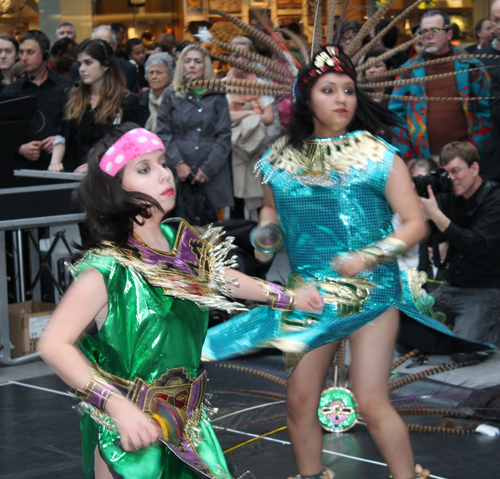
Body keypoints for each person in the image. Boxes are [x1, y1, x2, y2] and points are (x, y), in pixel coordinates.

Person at [203, 45, 489, 479]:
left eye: (349, 90)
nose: (342, 99)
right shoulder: (278, 158)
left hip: (373, 292)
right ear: (306, 99)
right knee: (299, 401)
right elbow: (271, 213)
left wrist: (367, 256)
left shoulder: (378, 155)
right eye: (329, 89)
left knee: (371, 401)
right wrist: (266, 238)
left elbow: (414, 225)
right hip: (308, 293)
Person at [38, 122, 322, 479]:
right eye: (144, 169)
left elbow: (223, 278)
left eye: (162, 163)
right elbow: (52, 343)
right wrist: (119, 408)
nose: (162, 174)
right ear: (115, 188)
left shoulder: (181, 242)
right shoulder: (107, 268)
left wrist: (287, 297)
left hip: (189, 426)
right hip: (131, 441)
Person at [419, 141, 500, 347]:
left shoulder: (495, 199)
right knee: (406, 326)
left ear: (474, 168)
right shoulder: (450, 196)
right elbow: (434, 240)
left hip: (484, 291)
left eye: (456, 171)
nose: (451, 179)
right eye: (446, 173)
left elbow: (477, 244)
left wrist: (437, 215)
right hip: (450, 286)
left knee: (464, 350)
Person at [389, 10, 492, 163]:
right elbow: (395, 116)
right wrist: (408, 157)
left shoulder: (471, 66)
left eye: (434, 31)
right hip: (423, 159)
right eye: (423, 32)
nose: (428, 36)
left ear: (449, 34)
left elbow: (486, 110)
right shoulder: (408, 71)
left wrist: (475, 150)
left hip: (465, 157)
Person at [156, 44, 234, 221]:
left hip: (212, 175)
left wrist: (208, 168)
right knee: (178, 231)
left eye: (197, 61)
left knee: (210, 235)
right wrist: (178, 163)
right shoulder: (171, 93)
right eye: (187, 61)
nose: (192, 65)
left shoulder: (217, 95)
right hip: (179, 174)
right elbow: (163, 132)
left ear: (205, 66)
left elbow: (224, 135)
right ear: (181, 65)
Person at [49, 39, 142, 173]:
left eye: (88, 63)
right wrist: (55, 163)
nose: (82, 69)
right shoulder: (73, 97)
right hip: (74, 175)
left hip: (109, 178)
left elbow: (130, 145)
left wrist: (95, 165)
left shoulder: (126, 101)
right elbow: (62, 135)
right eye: (79, 64)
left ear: (105, 65)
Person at [2, 30, 71, 170]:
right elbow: (3, 132)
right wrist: (20, 148)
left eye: (30, 52)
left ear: (45, 54)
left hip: (59, 166)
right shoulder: (11, 91)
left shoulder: (66, 86)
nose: (24, 58)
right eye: (21, 52)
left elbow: (77, 127)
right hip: (22, 169)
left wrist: (60, 140)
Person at [223, 36, 275, 221]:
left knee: (259, 197)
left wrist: (240, 114)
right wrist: (251, 113)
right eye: (235, 55)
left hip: (256, 150)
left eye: (244, 55)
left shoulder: (262, 85)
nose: (239, 59)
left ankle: (260, 243)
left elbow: (269, 118)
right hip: (232, 151)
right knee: (235, 200)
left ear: (251, 58)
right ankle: (236, 245)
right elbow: (223, 118)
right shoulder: (222, 85)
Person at [70, 25, 139, 93]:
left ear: (114, 45)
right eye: (96, 43)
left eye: (106, 43)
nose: (101, 47)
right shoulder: (77, 67)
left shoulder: (128, 68)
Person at [138, 52, 175, 133]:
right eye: (151, 72)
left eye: (159, 73)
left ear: (170, 77)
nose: (154, 76)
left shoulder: (177, 100)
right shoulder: (139, 100)